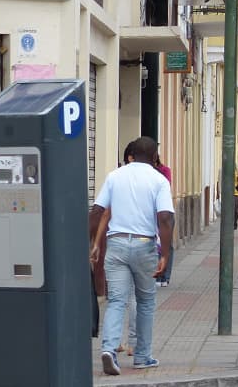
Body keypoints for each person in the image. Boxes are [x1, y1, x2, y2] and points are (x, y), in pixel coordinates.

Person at [89, 136, 174, 375]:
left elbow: (97, 211)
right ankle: (142, 356)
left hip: (115, 244)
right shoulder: (159, 180)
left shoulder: (115, 176)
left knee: (117, 300)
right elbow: (165, 218)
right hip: (144, 245)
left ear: (131, 155)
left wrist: (90, 242)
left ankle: (108, 349)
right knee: (146, 301)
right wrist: (164, 254)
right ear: (155, 157)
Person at [153, 152, 174, 287]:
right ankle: (156, 275)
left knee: (166, 244)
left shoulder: (164, 171)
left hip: (164, 212)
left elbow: (166, 187)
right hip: (151, 213)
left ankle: (165, 276)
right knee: (155, 245)